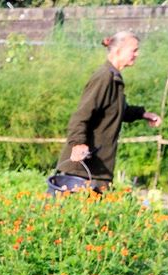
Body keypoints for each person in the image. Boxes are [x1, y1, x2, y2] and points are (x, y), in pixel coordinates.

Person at [57, 31, 162, 190]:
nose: (137, 54)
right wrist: (77, 143)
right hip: (83, 169)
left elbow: (116, 110)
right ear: (118, 51)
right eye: (133, 50)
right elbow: (81, 115)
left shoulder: (114, 77)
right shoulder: (104, 77)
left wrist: (142, 114)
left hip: (98, 167)